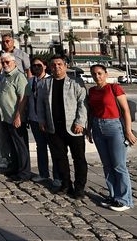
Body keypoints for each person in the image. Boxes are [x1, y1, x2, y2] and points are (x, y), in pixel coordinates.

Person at [36, 56, 88, 199]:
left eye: (60, 64)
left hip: (73, 128)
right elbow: (40, 104)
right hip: (54, 128)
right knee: (60, 158)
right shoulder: (45, 84)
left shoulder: (76, 83)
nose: (56, 67)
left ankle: (79, 187)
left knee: (79, 158)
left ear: (65, 66)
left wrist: (80, 122)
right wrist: (41, 120)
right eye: (53, 65)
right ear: (49, 67)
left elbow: (83, 104)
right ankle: (65, 184)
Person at [88, 64, 137, 211]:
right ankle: (114, 195)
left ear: (106, 74)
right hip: (97, 127)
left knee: (119, 165)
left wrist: (128, 131)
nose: (97, 76)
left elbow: (126, 110)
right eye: (94, 74)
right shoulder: (91, 91)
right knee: (107, 165)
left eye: (100, 73)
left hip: (114, 127)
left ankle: (125, 200)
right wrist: (89, 129)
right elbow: (92, 111)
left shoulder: (114, 88)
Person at [0, 54, 31, 181]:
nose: (5, 64)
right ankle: (15, 168)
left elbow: (23, 98)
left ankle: (24, 172)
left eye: (7, 62)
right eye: (3, 62)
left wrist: (18, 116)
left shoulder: (19, 76)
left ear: (14, 62)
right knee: (12, 145)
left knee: (20, 146)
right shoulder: (5, 76)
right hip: (6, 117)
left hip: (15, 117)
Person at [28, 57, 57, 184]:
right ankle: (43, 173)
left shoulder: (51, 80)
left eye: (39, 65)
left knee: (54, 147)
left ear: (45, 66)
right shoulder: (30, 81)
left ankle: (57, 176)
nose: (37, 68)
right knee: (41, 147)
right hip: (34, 119)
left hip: (48, 120)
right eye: (34, 66)